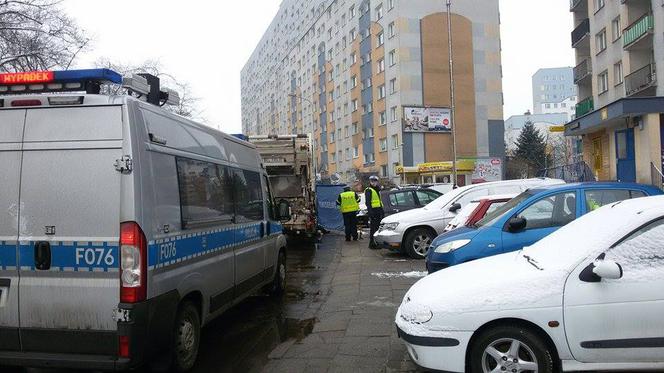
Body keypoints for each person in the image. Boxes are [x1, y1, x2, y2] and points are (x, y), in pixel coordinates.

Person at [365, 175, 384, 249]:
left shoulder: (377, 189)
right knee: (373, 228)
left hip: (379, 210)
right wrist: (370, 213)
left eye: (375, 181)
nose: (374, 183)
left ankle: (377, 243)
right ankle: (372, 244)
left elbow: (379, 201)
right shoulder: (369, 190)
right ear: (370, 182)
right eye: (372, 181)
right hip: (373, 211)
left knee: (378, 228)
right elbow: (368, 203)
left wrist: (382, 211)